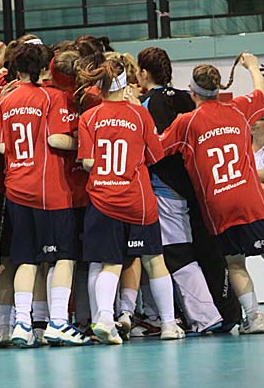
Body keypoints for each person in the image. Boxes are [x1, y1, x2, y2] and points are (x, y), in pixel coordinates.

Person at [159, 53, 264, 334]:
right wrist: (252, 66)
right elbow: (262, 90)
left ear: (193, 92)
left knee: (235, 263)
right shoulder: (239, 108)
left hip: (218, 204)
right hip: (250, 197)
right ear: (218, 89)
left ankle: (254, 318)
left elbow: (156, 148)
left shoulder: (186, 122)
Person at [77, 57, 185, 344]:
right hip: (137, 201)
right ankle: (168, 324)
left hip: (102, 199)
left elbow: (87, 162)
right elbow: (155, 156)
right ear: (126, 83)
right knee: (154, 261)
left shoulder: (89, 117)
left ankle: (104, 318)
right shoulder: (140, 114)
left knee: (109, 263)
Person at [0, 43, 88, 347]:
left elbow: (1, 146)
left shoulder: (5, 101)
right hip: (49, 189)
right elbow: (56, 138)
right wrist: (82, 143)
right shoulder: (51, 96)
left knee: (25, 258)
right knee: (64, 257)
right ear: (44, 67)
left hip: (16, 187)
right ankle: (58, 322)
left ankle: (22, 323)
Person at [135, 47, 223, 334]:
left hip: (164, 189)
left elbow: (150, 148)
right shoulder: (187, 98)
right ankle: (168, 314)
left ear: (144, 73)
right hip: (194, 186)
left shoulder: (144, 104)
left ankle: (205, 316)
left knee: (176, 253)